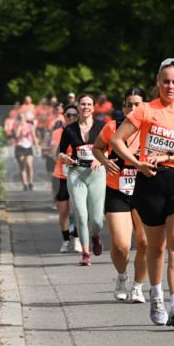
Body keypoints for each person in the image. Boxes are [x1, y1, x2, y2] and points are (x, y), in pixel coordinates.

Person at [110, 58, 174, 327]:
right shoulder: (145, 110)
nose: (170, 86)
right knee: (155, 246)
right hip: (150, 182)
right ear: (157, 83)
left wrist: (170, 155)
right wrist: (137, 162)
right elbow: (117, 141)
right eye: (165, 81)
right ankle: (156, 296)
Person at [93, 88, 149, 303]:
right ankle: (122, 276)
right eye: (129, 105)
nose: (133, 109)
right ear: (123, 107)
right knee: (121, 245)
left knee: (144, 242)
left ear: (144, 107)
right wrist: (105, 161)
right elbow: (97, 148)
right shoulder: (112, 127)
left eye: (137, 104)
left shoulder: (151, 129)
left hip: (144, 190)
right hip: (117, 190)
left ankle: (138, 286)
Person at [58, 93, 107, 266]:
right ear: (78, 106)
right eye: (82, 104)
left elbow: (111, 149)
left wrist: (100, 158)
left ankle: (95, 236)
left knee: (96, 219)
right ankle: (86, 253)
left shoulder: (102, 126)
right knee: (80, 212)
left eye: (88, 104)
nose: (85, 107)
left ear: (93, 107)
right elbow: (61, 151)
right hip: (76, 172)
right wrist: (65, 158)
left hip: (97, 173)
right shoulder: (69, 129)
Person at [52, 104, 81, 252]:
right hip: (60, 175)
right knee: (63, 210)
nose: (71, 118)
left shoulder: (81, 130)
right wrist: (62, 153)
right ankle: (65, 240)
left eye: (74, 115)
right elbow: (54, 154)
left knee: (77, 209)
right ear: (64, 116)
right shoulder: (57, 132)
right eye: (68, 115)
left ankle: (76, 238)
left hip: (77, 174)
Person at [12, 111, 39, 190]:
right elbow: (16, 136)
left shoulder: (30, 126)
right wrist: (19, 127)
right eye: (19, 117)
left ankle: (31, 183)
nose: (21, 119)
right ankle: (25, 184)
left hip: (28, 146)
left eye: (22, 117)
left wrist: (37, 146)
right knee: (22, 166)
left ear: (25, 118)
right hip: (19, 147)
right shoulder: (16, 125)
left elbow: (34, 136)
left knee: (29, 164)